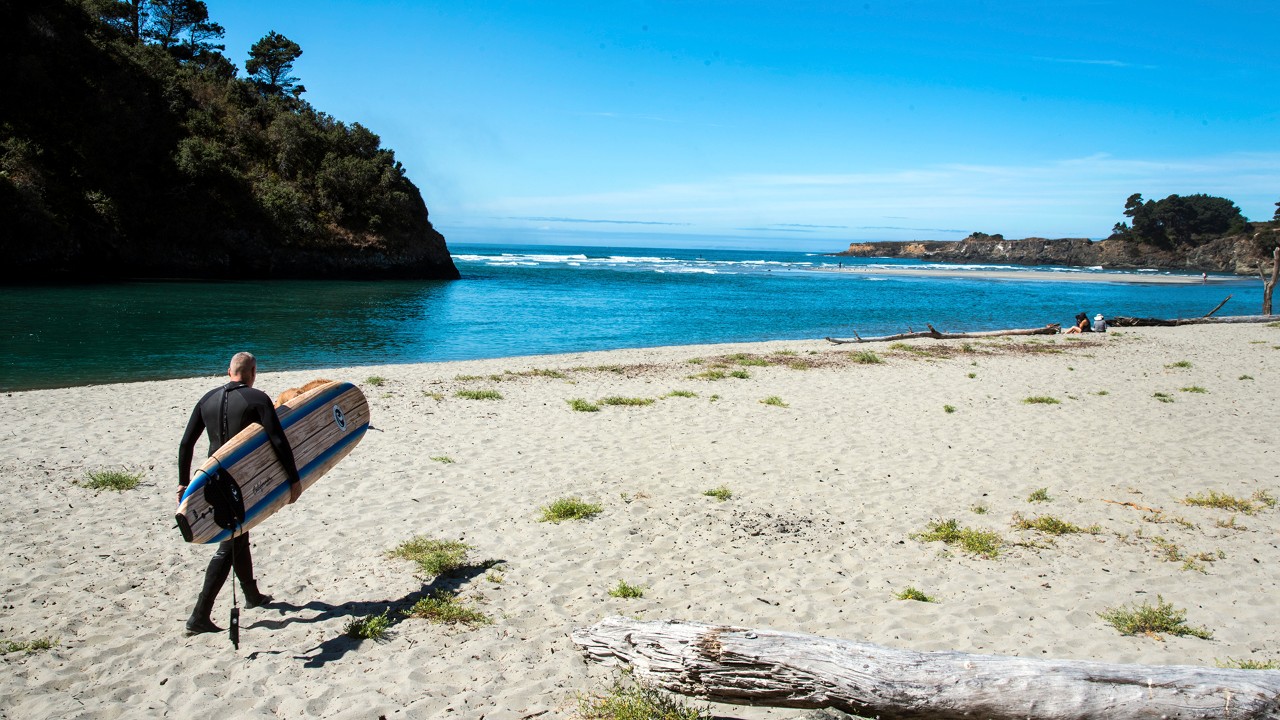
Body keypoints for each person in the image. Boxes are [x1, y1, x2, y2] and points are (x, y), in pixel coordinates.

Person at [177, 352, 302, 634]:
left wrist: (183, 485)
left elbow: (186, 445)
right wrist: (294, 479)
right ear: (253, 372)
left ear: (228, 371)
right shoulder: (257, 399)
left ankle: (252, 595)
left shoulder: (206, 399)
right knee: (229, 544)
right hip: (240, 481)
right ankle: (200, 615)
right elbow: (278, 440)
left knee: (240, 535)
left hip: (210, 481)